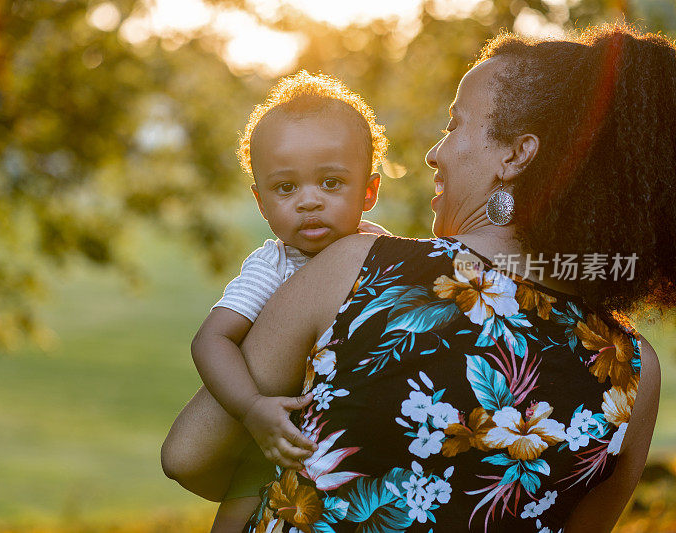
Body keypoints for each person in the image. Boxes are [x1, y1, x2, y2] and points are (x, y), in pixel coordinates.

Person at [170, 23, 671, 532]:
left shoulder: (358, 267)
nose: (435, 153)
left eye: (455, 125)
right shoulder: (634, 374)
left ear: (516, 155)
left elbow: (188, 455)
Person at [160, 71, 391, 531]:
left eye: (330, 182)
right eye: (286, 188)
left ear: (368, 191)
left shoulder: (385, 253)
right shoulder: (275, 266)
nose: (309, 201)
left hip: (350, 442)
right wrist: (251, 408)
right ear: (262, 202)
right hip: (278, 433)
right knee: (241, 506)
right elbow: (212, 339)